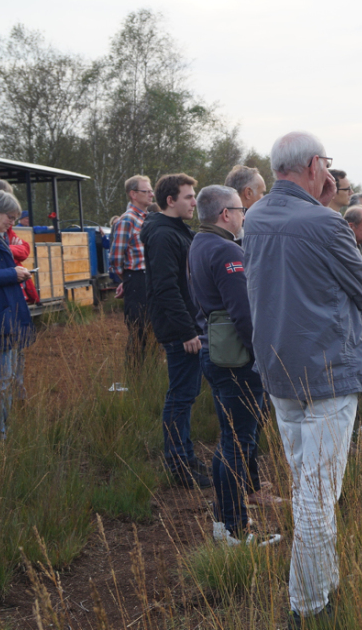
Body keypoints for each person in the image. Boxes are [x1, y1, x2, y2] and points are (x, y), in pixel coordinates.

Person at [244, 131, 362, 625]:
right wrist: (327, 212)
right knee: (319, 495)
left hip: (279, 372)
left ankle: (322, 581)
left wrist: (321, 206)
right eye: (326, 166)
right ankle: (309, 605)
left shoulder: (254, 218)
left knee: (307, 485)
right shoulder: (327, 224)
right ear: (316, 164)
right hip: (327, 374)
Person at [189, 185, 280, 546]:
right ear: (225, 214)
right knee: (237, 444)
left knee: (231, 440)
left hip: (217, 355)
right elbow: (243, 312)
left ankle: (225, 522)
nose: (245, 215)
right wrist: (264, 354)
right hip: (236, 360)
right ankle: (235, 529)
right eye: (241, 209)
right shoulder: (226, 249)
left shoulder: (199, 243)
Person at [140, 173, 210, 488]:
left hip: (188, 325)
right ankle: (179, 466)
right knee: (180, 397)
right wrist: (187, 332)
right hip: (180, 330)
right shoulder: (163, 235)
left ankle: (186, 458)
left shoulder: (177, 231)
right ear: (171, 200)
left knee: (186, 394)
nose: (194, 201)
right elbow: (166, 288)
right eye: (188, 196)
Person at [223, 163, 279, 507]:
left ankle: (252, 484)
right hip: (245, 347)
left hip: (249, 343)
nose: (266, 196)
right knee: (244, 424)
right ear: (248, 195)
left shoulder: (242, 235)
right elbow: (243, 304)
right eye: (262, 191)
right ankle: (247, 492)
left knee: (251, 421)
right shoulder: (239, 241)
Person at [0, 191, 33, 451]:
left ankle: (0, 434)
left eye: (15, 218)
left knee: (5, 381)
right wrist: (12, 274)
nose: (12, 223)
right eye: (9, 217)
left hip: (5, 319)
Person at [108, 175, 155, 365]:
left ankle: (150, 377)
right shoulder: (127, 220)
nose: (152, 194)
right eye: (147, 191)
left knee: (152, 331)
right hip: (137, 280)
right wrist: (127, 280)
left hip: (149, 279)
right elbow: (116, 258)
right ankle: (136, 381)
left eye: (151, 190)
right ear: (133, 194)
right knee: (139, 332)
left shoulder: (148, 218)